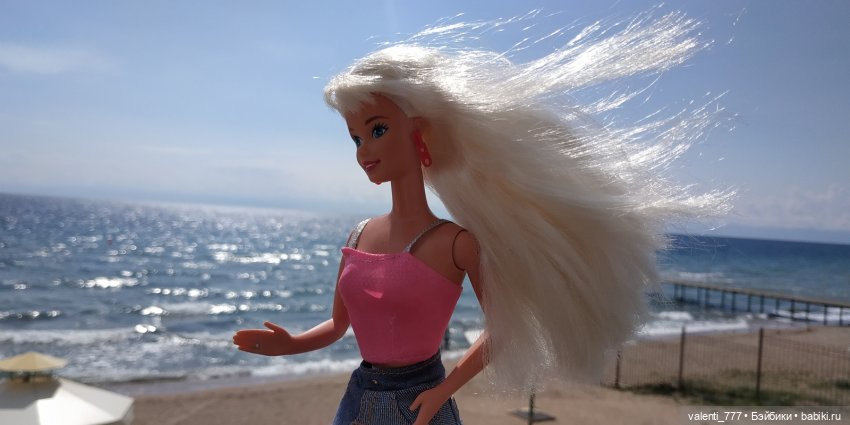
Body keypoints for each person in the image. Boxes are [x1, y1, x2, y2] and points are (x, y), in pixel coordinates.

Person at [233, 10, 731, 425]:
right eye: (356, 138)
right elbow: (340, 325)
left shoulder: (455, 243)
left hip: (421, 401)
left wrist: (443, 390)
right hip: (358, 399)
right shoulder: (359, 235)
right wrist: (293, 343)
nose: (364, 150)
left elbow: (503, 330)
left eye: (378, 130)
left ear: (418, 132)